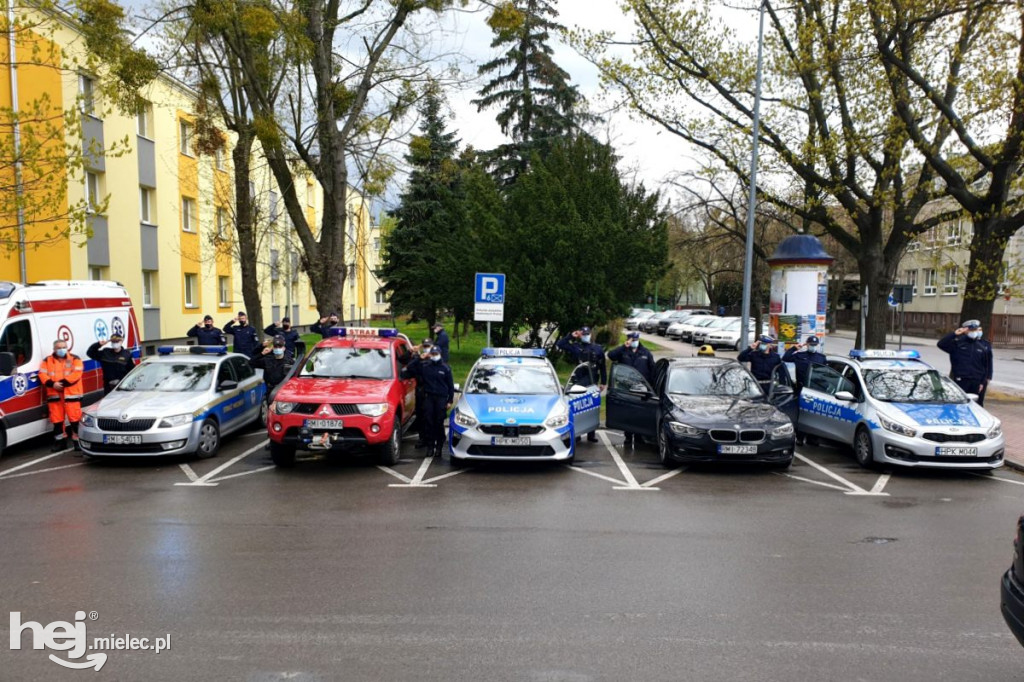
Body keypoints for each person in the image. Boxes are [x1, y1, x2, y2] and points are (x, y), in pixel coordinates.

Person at [401, 344, 454, 458]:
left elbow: (450, 386)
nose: (435, 356)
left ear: (440, 354)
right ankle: (430, 447)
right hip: (429, 397)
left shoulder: (445, 368)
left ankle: (439, 447)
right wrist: (420, 358)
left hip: (441, 398)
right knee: (428, 422)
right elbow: (410, 368)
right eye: (433, 354)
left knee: (439, 423)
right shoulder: (425, 366)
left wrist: (450, 400)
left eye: (436, 354)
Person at [556, 326, 606, 443]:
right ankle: (578, 433)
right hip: (579, 381)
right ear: (580, 335)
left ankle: (591, 434)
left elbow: (602, 367)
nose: (585, 336)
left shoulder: (598, 349)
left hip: (592, 381)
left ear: (590, 334)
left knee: (593, 407)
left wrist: (603, 382)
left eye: (587, 334)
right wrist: (571, 336)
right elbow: (560, 344)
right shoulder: (576, 347)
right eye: (583, 334)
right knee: (578, 406)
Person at [607, 331, 655, 446]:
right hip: (626, 387)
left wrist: (651, 387)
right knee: (628, 412)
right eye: (632, 340)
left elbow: (653, 369)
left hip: (642, 388)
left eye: (635, 340)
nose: (634, 342)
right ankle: (628, 436)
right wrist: (624, 346)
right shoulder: (623, 351)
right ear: (628, 340)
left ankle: (639, 436)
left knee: (639, 412)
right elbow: (611, 355)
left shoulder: (645, 352)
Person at [39, 339, 84, 451]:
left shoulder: (74, 359)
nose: (61, 349)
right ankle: (60, 442)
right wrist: (52, 384)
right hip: (54, 394)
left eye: (64, 347)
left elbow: (77, 373)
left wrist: (61, 384)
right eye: (59, 348)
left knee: (75, 420)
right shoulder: (47, 361)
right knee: (57, 421)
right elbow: (42, 374)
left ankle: (77, 441)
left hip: (71, 394)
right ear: (54, 349)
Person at [782, 335, 828, 445]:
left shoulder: (821, 358)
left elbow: (825, 374)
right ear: (806, 344)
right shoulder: (800, 356)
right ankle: (800, 437)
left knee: (814, 414)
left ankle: (813, 438)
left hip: (815, 390)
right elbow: (785, 358)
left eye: (814, 345)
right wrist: (794, 348)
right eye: (811, 344)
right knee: (802, 414)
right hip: (802, 390)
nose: (813, 346)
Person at [938, 319, 994, 406]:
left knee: (976, 406)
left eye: (975, 330)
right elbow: (941, 344)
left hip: (976, 381)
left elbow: (985, 366)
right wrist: (954, 334)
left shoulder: (982, 346)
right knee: (959, 405)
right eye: (971, 330)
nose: (974, 332)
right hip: (961, 380)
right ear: (965, 330)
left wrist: (982, 382)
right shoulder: (958, 344)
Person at [411, 339, 433, 448]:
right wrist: (417, 355)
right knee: (420, 416)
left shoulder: (437, 360)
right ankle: (422, 439)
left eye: (428, 346)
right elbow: (409, 367)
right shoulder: (419, 359)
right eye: (424, 346)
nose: (426, 348)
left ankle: (431, 440)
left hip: (432, 393)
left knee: (430, 417)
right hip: (420, 391)